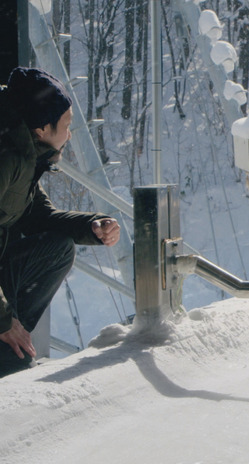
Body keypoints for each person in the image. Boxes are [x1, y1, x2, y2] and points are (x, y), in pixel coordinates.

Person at [0, 67, 121, 377]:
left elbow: (39, 216)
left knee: (58, 249)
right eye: (66, 125)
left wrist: (92, 226)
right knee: (12, 361)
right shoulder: (8, 158)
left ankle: (13, 346)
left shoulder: (26, 154)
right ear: (42, 127)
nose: (69, 134)